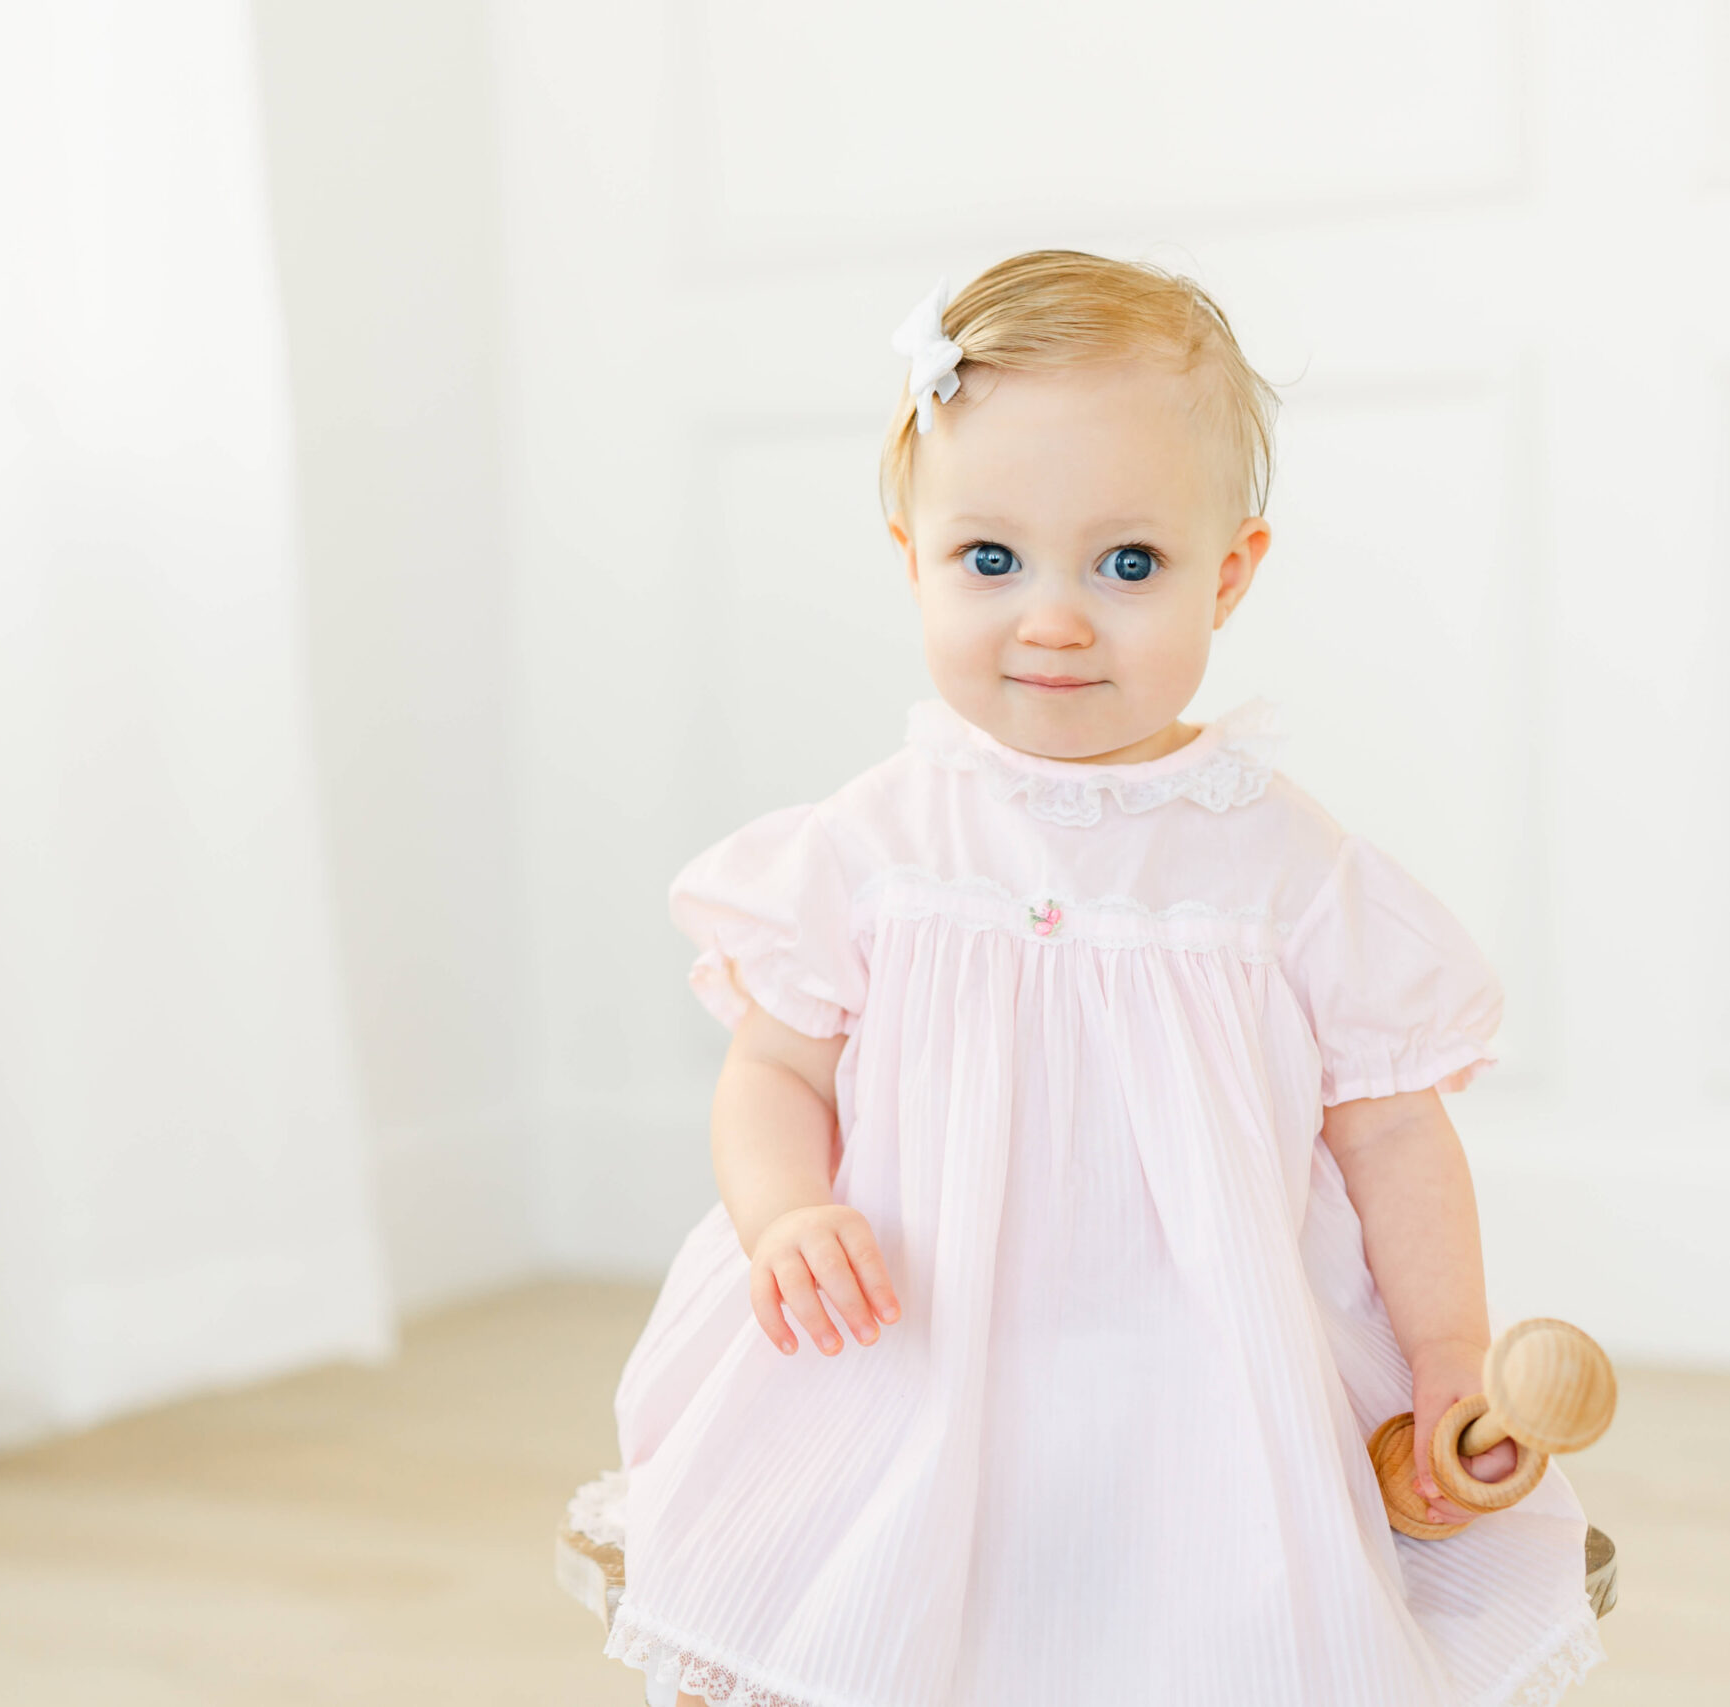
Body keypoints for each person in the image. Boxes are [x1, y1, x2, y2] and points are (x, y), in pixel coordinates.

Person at [601, 251, 1602, 1706]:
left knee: (1203, 1629)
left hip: (1195, 1379)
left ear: (1232, 571)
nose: (1054, 620)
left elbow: (1392, 1132)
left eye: (1126, 565)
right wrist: (785, 1211)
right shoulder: (878, 841)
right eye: (990, 561)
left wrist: (1448, 1355)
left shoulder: (1280, 865)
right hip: (912, 1355)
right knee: (875, 1614)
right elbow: (776, 1065)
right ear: (912, 560)